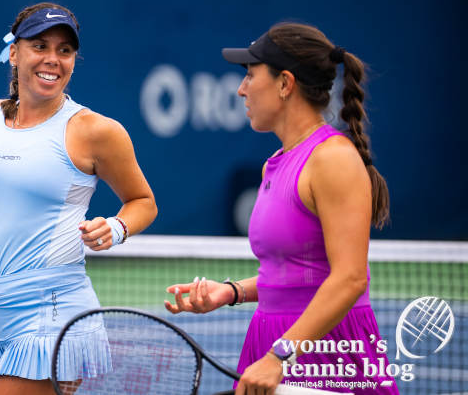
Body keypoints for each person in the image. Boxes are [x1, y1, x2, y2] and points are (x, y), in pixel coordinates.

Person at [0, 2, 157, 395]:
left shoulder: (96, 131)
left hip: (54, 313)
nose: (53, 59)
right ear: (14, 53)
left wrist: (116, 227)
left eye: (64, 50)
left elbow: (143, 202)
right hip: (0, 317)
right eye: (40, 46)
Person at [165, 22, 398, 394]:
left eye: (250, 76)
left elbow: (350, 278)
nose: (241, 89)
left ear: (285, 83)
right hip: (273, 340)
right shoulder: (275, 163)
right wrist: (232, 291)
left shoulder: (334, 159)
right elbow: (296, 273)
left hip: (324, 351)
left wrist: (280, 356)